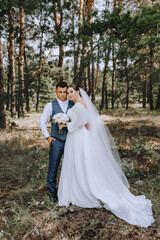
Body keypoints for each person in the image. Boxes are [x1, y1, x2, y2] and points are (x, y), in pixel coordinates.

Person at [57, 83, 155, 228]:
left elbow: (76, 125)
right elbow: (87, 122)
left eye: (71, 92)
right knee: (82, 163)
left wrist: (64, 125)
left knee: (78, 163)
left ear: (78, 92)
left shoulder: (78, 105)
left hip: (78, 138)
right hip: (83, 137)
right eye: (68, 92)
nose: (69, 94)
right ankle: (79, 186)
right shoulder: (83, 103)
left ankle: (81, 190)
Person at [39, 81, 75, 202]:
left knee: (72, 167)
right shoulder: (50, 105)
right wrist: (47, 137)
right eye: (60, 92)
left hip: (71, 140)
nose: (63, 94)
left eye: (65, 92)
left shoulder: (73, 104)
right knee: (53, 167)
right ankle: (52, 192)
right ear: (56, 92)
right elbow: (42, 121)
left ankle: (71, 191)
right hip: (56, 141)